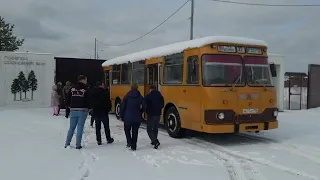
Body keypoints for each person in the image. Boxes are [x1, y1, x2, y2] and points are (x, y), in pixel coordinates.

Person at [65, 75, 91, 149]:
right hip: (82, 110)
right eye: (86, 80)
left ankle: (67, 143)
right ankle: (78, 145)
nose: (86, 82)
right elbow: (89, 99)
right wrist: (89, 108)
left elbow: (67, 99)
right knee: (80, 127)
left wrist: (70, 106)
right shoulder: (86, 89)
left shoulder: (72, 88)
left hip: (73, 110)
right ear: (83, 80)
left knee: (71, 127)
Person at [120, 84, 143, 151]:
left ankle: (129, 141)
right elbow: (144, 105)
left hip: (128, 117)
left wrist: (122, 116)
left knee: (127, 130)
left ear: (131, 88)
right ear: (137, 88)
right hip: (137, 117)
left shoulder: (127, 96)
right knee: (135, 132)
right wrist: (141, 112)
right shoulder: (140, 97)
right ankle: (134, 146)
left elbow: (122, 107)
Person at [90, 81, 114, 145]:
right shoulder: (105, 93)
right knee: (106, 127)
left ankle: (99, 140)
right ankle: (108, 139)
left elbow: (91, 102)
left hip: (96, 112)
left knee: (98, 127)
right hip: (104, 112)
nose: (104, 86)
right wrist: (108, 109)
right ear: (100, 85)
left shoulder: (93, 93)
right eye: (103, 85)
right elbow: (108, 102)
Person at [143, 85, 164, 149]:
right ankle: (153, 140)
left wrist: (146, 111)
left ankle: (155, 141)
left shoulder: (148, 96)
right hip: (158, 114)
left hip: (151, 114)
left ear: (150, 89)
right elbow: (162, 105)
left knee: (149, 129)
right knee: (155, 128)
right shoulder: (160, 96)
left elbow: (145, 104)